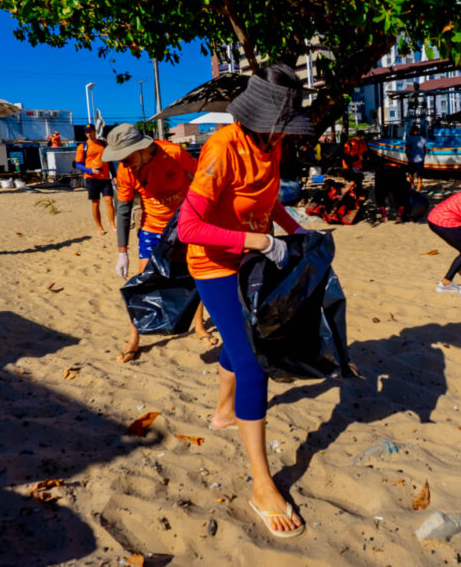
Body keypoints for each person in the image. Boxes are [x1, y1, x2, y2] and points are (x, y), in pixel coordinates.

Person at [177, 63, 312, 539]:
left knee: (240, 341)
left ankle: (223, 414)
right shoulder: (221, 147)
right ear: (259, 120)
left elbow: (266, 199)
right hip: (215, 262)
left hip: (254, 255)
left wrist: (297, 230)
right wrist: (258, 243)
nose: (285, 139)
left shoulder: (270, 145)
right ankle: (261, 484)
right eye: (282, 129)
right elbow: (187, 226)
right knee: (254, 362)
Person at [102, 123, 215, 362]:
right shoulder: (125, 171)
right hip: (152, 229)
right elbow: (122, 210)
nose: (123, 162)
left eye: (126, 156)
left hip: (186, 223)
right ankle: (134, 337)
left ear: (142, 149)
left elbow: (202, 178)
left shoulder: (173, 153)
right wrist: (122, 251)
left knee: (196, 276)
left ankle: (199, 326)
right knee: (142, 283)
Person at [74, 125, 115, 235]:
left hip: (105, 177)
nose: (88, 133)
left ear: (95, 131)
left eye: (90, 131)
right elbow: (78, 164)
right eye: (86, 132)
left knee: (109, 201)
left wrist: (114, 175)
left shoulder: (103, 144)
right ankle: (99, 227)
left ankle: (112, 225)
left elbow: (109, 161)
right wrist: (90, 170)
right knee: (95, 203)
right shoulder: (82, 146)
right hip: (91, 178)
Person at [406, 125, 427, 191]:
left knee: (411, 174)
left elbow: (407, 149)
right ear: (418, 131)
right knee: (419, 176)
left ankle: (412, 187)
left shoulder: (409, 138)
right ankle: (418, 191)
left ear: (412, 131)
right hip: (420, 160)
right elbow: (425, 149)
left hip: (412, 159)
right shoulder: (423, 138)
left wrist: (408, 157)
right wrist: (423, 156)